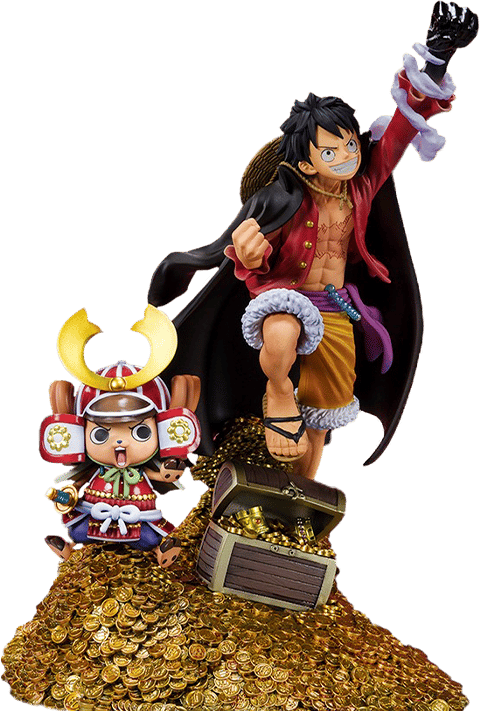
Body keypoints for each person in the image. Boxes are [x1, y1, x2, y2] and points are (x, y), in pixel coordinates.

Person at [148, 2, 477, 478]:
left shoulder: (361, 188)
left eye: (349, 144)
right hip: (282, 297)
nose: (346, 155)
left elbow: (402, 127)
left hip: (337, 306)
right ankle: (278, 390)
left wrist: (440, 57)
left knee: (326, 412)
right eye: (330, 150)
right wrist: (249, 256)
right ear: (304, 162)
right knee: (282, 332)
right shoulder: (280, 201)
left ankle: (301, 493)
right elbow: (247, 256)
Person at [40, 306, 201, 566]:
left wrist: (166, 473)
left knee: (148, 538)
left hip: (138, 514)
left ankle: (161, 552)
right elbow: (75, 487)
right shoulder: (95, 470)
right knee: (79, 531)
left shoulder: (144, 467)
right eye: (101, 433)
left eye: (140, 431)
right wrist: (65, 495)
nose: (119, 442)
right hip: (96, 511)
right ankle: (71, 550)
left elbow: (158, 475)